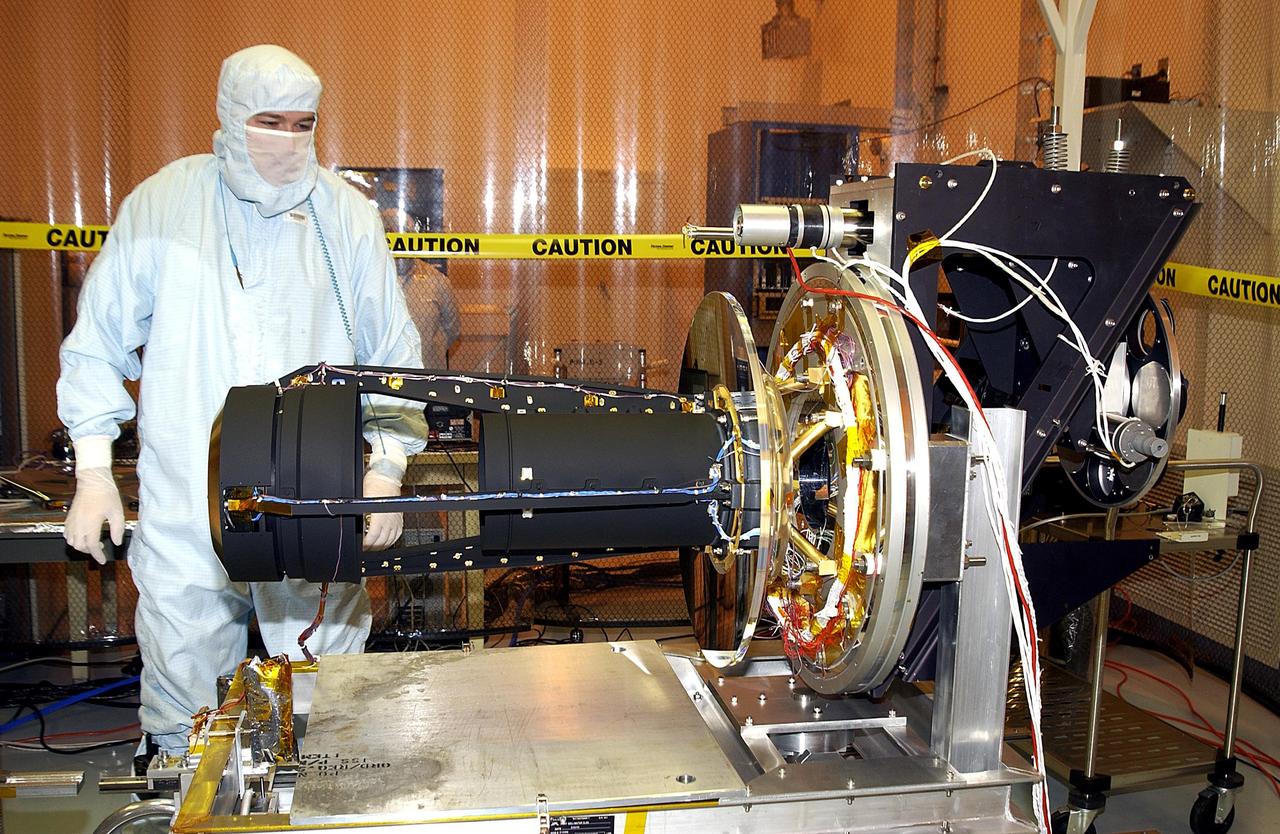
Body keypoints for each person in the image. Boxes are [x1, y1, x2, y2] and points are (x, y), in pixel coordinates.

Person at [56, 44, 426, 755]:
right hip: (189, 504)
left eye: (302, 123)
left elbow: (391, 356)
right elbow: (97, 340)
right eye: (269, 120)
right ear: (228, 116)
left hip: (312, 503)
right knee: (185, 713)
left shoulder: (344, 218)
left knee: (323, 705)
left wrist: (387, 467)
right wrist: (94, 469)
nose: (287, 140)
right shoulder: (165, 205)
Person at [380, 207, 461, 369]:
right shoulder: (371, 280)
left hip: (428, 376)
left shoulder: (437, 281)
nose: (398, 237)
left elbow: (452, 331)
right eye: (389, 231)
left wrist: (431, 352)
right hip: (383, 375)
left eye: (403, 232)